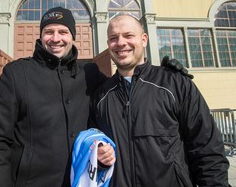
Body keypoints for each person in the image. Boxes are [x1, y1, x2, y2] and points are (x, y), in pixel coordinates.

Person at [0, 6, 116, 187]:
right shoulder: (17, 73)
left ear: (72, 36)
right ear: (41, 35)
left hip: (79, 181)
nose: (55, 38)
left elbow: (119, 95)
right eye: (48, 31)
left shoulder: (89, 73)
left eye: (63, 32)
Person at [91, 15, 230, 186]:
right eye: (113, 38)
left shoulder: (175, 83)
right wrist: (98, 156)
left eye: (128, 35)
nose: (120, 43)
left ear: (144, 40)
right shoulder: (100, 96)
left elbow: (207, 148)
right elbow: (92, 148)